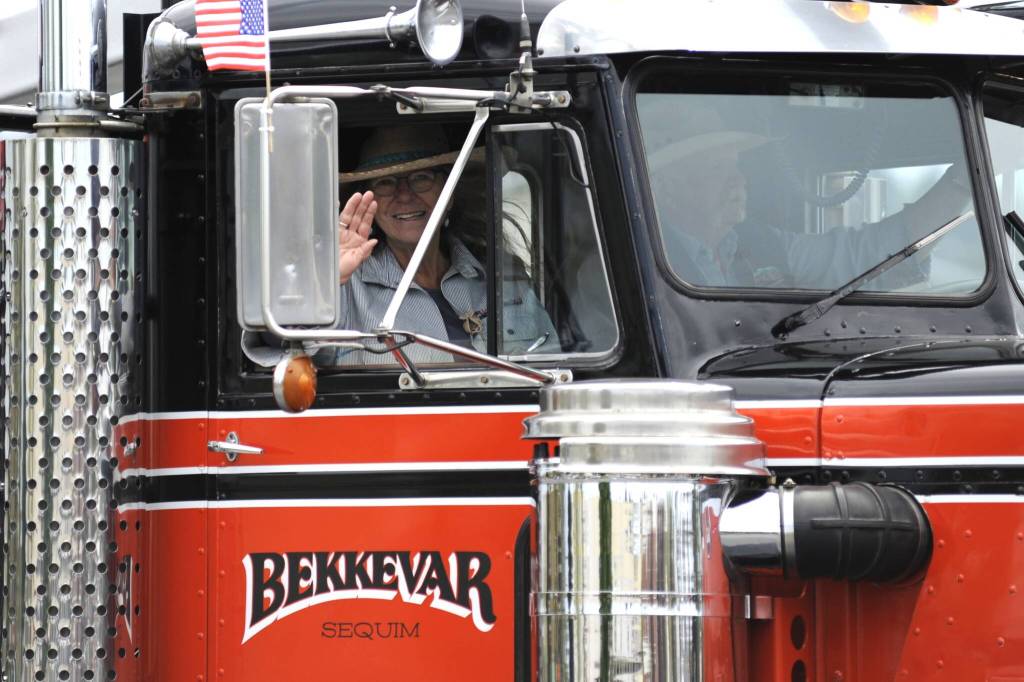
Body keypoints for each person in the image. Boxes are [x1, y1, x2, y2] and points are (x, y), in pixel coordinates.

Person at [640, 101, 974, 290]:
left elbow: (874, 256)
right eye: (715, 169)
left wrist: (968, 175)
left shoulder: (764, 243)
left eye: (736, 165)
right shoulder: (635, 265)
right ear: (664, 187)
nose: (737, 180)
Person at [319, 125, 558, 365]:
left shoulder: (499, 275)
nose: (404, 195)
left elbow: (552, 364)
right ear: (368, 200)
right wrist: (327, 280)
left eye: (422, 177)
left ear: (450, 191)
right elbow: (299, 352)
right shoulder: (345, 288)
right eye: (385, 182)